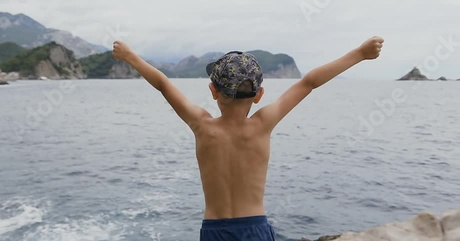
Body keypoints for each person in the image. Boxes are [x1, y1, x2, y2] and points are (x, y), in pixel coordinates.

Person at [112, 36, 384, 241]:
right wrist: (359, 54)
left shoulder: (202, 126)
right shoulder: (263, 124)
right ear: (259, 95)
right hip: (255, 228)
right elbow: (308, 82)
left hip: (214, 230)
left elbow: (163, 84)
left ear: (213, 91)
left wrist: (130, 57)